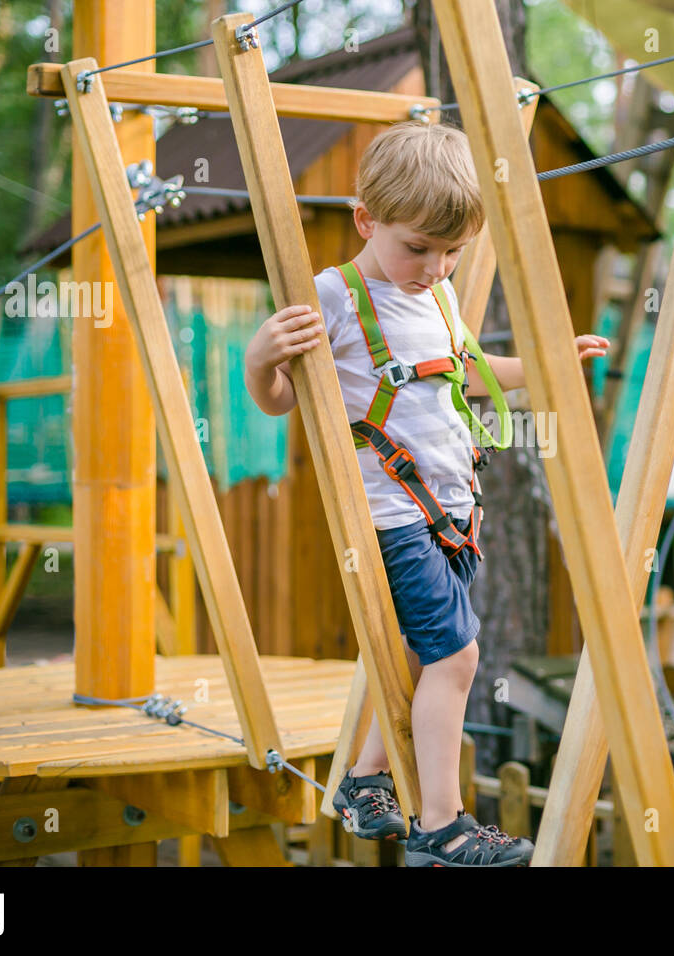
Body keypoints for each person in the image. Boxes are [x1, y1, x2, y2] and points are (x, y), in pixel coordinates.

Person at [245, 120, 607, 867]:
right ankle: (440, 825)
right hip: (393, 517)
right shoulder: (336, 298)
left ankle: (366, 777)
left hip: (450, 514)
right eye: (418, 248)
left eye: (452, 253)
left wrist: (544, 365)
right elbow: (282, 400)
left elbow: (465, 375)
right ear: (366, 222)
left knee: (418, 653)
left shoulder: (437, 297)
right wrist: (260, 362)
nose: (436, 267)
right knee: (456, 659)